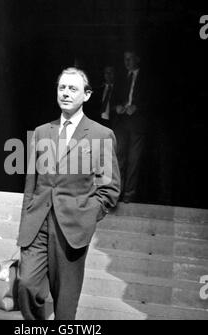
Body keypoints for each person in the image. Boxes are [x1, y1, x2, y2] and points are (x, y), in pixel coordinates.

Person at [17, 67, 120, 320]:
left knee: (65, 306)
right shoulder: (42, 132)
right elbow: (31, 185)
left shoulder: (101, 134)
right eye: (62, 87)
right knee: (26, 285)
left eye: (73, 89)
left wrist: (87, 214)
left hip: (72, 228)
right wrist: (22, 231)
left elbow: (109, 189)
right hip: (37, 224)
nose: (65, 93)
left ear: (86, 95)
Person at [114, 50, 148, 203]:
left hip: (137, 123)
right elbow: (114, 97)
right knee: (119, 156)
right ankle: (117, 192)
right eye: (124, 59)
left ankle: (129, 194)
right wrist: (117, 107)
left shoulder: (146, 78)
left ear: (137, 59)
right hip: (122, 122)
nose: (126, 62)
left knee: (134, 159)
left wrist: (137, 107)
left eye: (130, 59)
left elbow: (152, 99)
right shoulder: (122, 78)